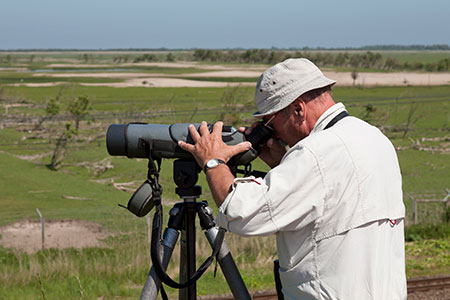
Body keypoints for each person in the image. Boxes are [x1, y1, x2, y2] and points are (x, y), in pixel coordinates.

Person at [178, 58, 406, 299]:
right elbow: (329, 201)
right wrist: (283, 164)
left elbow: (242, 213)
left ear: (298, 109)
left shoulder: (314, 153)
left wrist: (214, 161)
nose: (272, 132)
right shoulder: (373, 137)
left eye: (270, 122)